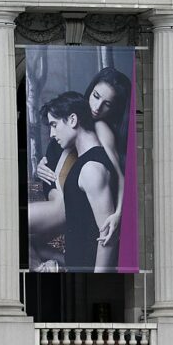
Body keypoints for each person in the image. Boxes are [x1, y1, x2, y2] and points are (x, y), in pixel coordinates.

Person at [34, 67, 131, 249]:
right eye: (95, 96)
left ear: (115, 108)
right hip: (55, 190)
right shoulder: (75, 114)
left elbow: (120, 175)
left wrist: (118, 213)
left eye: (107, 104)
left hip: (65, 203)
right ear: (90, 89)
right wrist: (41, 166)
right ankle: (54, 264)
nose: (96, 107)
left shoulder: (101, 127)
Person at [39, 92, 119, 272]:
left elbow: (109, 236)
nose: (52, 133)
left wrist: (99, 280)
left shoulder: (91, 168)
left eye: (54, 124)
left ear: (73, 119)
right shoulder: (83, 162)